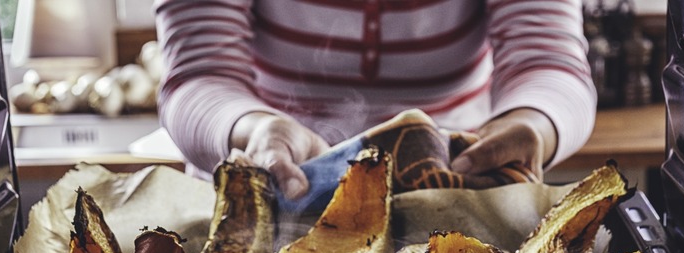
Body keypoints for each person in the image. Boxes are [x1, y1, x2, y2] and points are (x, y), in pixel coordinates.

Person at [153, 0, 596, 200]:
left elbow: (547, 63)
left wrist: (533, 122)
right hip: (269, 191)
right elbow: (200, 76)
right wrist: (255, 128)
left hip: (454, 200)